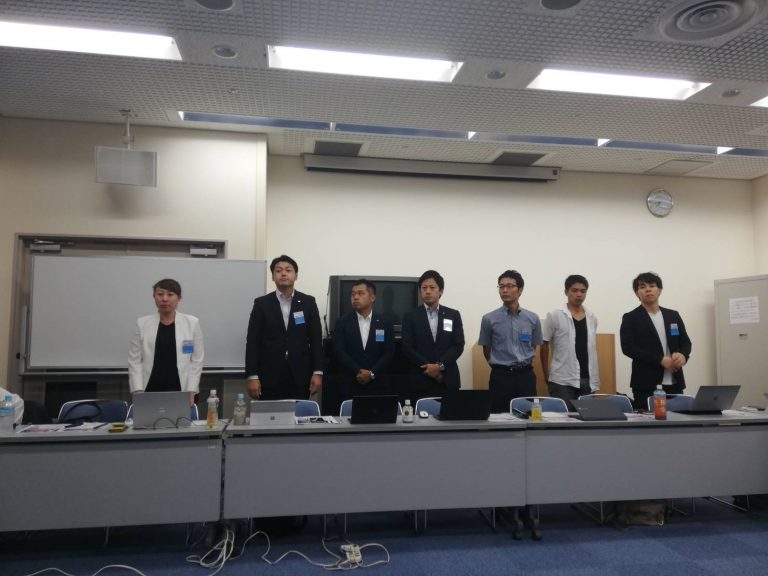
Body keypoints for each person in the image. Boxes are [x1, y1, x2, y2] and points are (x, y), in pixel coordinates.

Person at [245, 255, 323, 401]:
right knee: (271, 414)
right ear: (273, 277)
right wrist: (252, 376)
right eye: (278, 270)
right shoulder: (262, 304)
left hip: (300, 375)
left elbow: (316, 340)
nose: (283, 273)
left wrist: (318, 372)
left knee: (299, 414)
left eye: (288, 270)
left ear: (296, 275)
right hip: (269, 375)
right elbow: (253, 342)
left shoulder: (308, 302)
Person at [620, 272, 692, 411]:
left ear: (659, 290)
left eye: (652, 286)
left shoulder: (673, 315)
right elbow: (628, 348)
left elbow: (686, 342)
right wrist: (660, 360)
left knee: (677, 421)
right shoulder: (631, 317)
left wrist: (683, 355)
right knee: (648, 422)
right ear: (637, 293)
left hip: (674, 382)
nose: (648, 289)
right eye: (642, 287)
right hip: (646, 384)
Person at [479, 270, 542, 414]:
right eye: (501, 286)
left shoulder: (532, 318)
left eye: (509, 286)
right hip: (501, 376)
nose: (504, 290)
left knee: (528, 416)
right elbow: (486, 349)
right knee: (499, 417)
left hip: (526, 376)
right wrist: (500, 365)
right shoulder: (489, 319)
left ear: (520, 290)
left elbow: (533, 346)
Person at [128, 278, 204, 399]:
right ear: (154, 297)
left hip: (182, 389)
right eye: (160, 294)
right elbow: (135, 360)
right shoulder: (142, 323)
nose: (164, 299)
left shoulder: (192, 323)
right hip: (148, 389)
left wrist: (191, 390)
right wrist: (137, 389)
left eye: (170, 294)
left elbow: (196, 360)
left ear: (179, 298)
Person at [401, 270, 465, 401]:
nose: (428, 291)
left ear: (441, 291)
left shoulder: (453, 315)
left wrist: (439, 366)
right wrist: (430, 369)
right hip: (420, 379)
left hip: (447, 379)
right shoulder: (410, 316)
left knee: (450, 414)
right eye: (424, 288)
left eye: (432, 287)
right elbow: (407, 347)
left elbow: (458, 345)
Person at [540, 275, 600, 410]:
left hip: (587, 379)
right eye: (574, 290)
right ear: (566, 292)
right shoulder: (554, 315)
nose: (579, 294)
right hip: (562, 380)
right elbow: (544, 344)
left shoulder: (592, 318)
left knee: (587, 419)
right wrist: (546, 374)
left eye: (583, 291)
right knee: (563, 419)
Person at [333, 279, 394, 396]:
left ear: (372, 298)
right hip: (350, 382)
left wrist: (372, 373)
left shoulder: (385, 322)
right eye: (353, 294)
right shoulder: (342, 322)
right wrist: (358, 371)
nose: (355, 297)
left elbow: (389, 352)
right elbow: (339, 350)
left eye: (360, 293)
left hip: (377, 383)